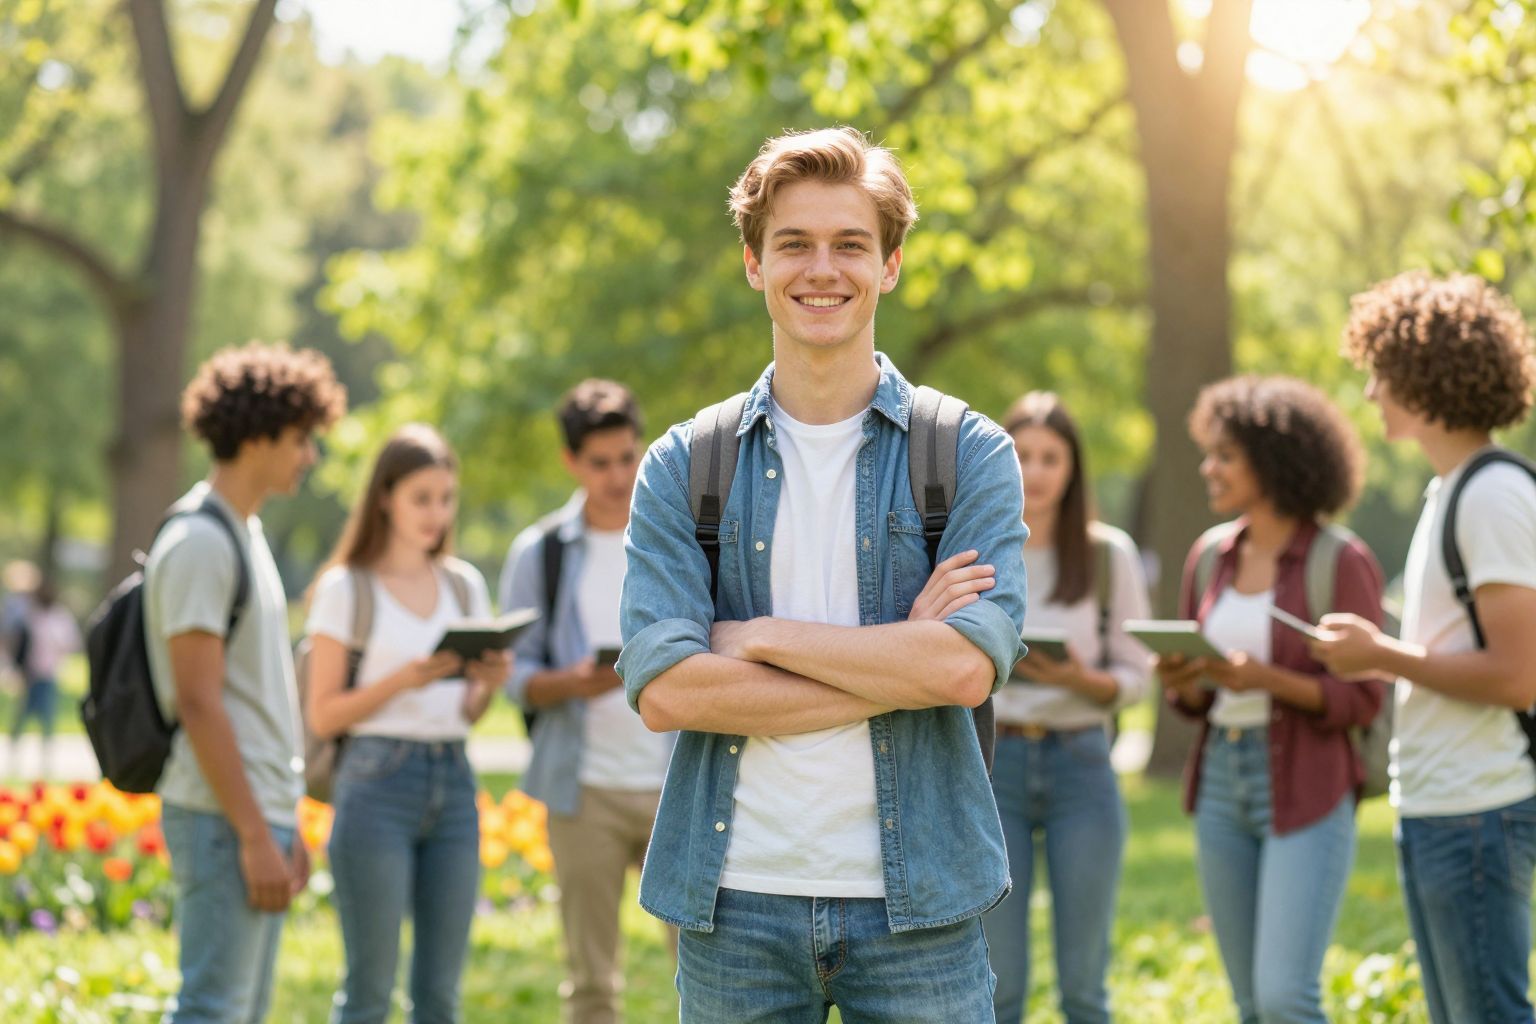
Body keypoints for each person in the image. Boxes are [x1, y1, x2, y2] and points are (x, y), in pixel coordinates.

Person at [617, 126, 1028, 1022]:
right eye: (793, 243)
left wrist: (759, 639)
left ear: (890, 265)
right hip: (735, 903)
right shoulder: (686, 464)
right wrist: (900, 657)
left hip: (922, 906)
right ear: (754, 265)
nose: (822, 269)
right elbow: (665, 693)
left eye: (851, 244)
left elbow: (964, 670)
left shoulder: (968, 453)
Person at [1311, 271, 1536, 1024]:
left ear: (1420, 374)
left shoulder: (1492, 495)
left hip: (1480, 809)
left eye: (1380, 371)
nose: (1371, 392)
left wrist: (1379, 653)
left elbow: (1517, 674)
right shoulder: (1450, 490)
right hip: (1443, 805)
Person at [1157, 375, 1385, 1024]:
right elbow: (1200, 698)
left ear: (1276, 460)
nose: (1210, 468)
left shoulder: (1339, 561)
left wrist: (1268, 681)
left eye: (1226, 455)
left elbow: (1365, 698)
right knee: (1252, 1004)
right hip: (1223, 784)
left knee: (1287, 997)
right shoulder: (1210, 557)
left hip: (1309, 786)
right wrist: (1182, 681)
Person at [145, 342, 346, 1023]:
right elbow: (199, 703)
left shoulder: (245, 532)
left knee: (242, 1011)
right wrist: (256, 835)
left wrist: (279, 822)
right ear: (256, 436)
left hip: (253, 811)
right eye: (299, 439)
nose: (308, 456)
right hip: (221, 817)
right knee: (211, 1010)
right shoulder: (203, 542)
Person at [305, 423, 506, 1024]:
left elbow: (466, 712)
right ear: (385, 496)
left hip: (453, 782)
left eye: (445, 499)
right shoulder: (347, 588)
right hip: (375, 785)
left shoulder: (463, 584)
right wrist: (404, 679)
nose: (436, 514)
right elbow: (323, 713)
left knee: (440, 996)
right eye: (421, 498)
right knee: (369, 991)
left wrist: (489, 684)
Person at [499, 380, 674, 1024]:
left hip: (677, 781)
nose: (618, 475)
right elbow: (513, 672)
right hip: (584, 788)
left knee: (708, 971)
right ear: (571, 462)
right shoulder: (539, 553)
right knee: (591, 983)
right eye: (600, 463)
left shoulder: (676, 539)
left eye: (628, 457)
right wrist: (572, 681)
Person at [985, 392, 1151, 1024]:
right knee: (999, 986)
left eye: (1051, 457)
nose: (1036, 471)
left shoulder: (1109, 555)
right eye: (1022, 454)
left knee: (1084, 988)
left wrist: (1084, 680)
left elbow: (1135, 677)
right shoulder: (976, 546)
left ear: (1074, 468)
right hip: (993, 766)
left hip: (1082, 761)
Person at [8, 578, 81, 779]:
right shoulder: (29, 615)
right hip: (30, 675)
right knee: (21, 719)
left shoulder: (60, 618)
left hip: (49, 675)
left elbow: (71, 643)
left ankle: (45, 762)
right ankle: (13, 759)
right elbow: (18, 643)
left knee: (47, 720)